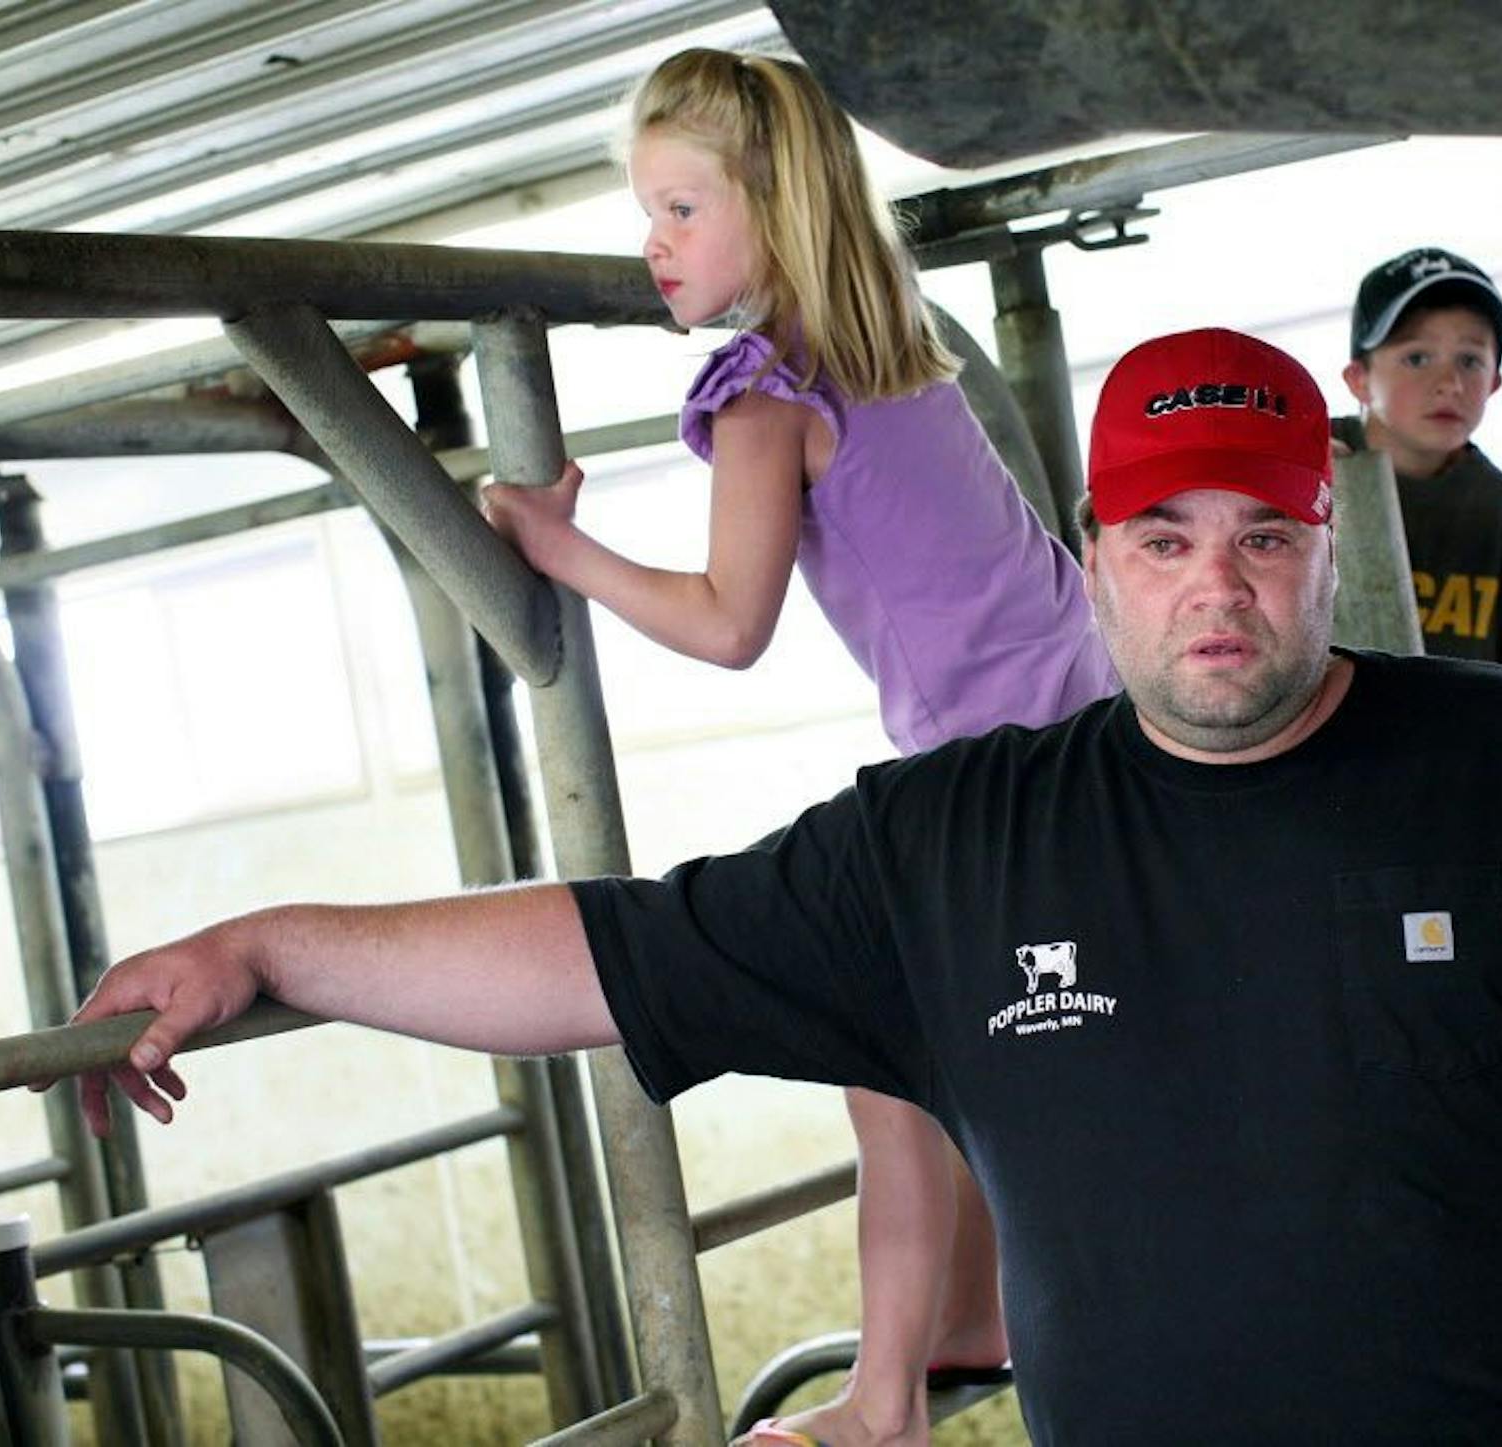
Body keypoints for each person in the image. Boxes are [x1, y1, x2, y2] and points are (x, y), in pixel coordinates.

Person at [70, 329, 1502, 1446]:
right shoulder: (948, 841)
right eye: (1166, 539)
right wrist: (270, 941)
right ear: (1093, 559)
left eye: (1264, 535)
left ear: (1326, 543)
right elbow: (597, 954)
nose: (1219, 587)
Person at [473, 47, 1118, 1447]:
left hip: (988, 777)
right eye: (647, 212)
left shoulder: (766, 398)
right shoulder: (896, 347)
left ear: (776, 201)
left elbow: (725, 625)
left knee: (883, 1074)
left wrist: (555, 540)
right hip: (1092, 731)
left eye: (684, 209)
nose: (653, 244)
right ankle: (971, 1317)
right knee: (945, 1055)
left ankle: (884, 1400)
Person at [1334, 245, 1502, 697]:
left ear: (1494, 383)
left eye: (1470, 360)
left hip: (1453, 754)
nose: (1449, 384)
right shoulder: (1306, 459)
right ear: (1359, 379)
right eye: (1417, 358)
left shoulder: (1495, 504)